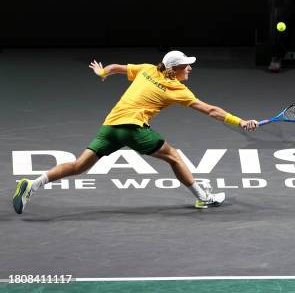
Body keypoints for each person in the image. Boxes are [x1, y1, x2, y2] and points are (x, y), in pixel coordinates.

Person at [12, 50, 259, 214]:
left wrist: (102, 72)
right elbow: (211, 110)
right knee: (173, 156)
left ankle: (32, 185)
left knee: (79, 166)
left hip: (110, 125)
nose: (190, 68)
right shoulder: (177, 90)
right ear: (173, 70)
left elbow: (117, 67)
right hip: (133, 129)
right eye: (186, 65)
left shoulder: (148, 69)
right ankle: (203, 197)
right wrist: (240, 122)